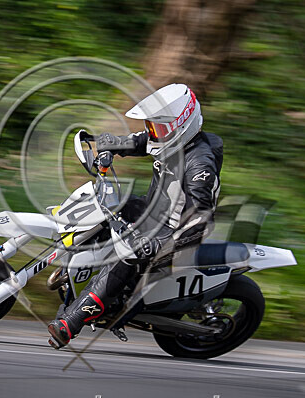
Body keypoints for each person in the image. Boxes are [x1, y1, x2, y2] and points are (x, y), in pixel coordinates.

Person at [47, 83, 223, 349]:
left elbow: (200, 220)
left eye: (160, 128)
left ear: (183, 125)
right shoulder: (170, 140)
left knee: (127, 257)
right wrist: (110, 144)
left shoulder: (200, 164)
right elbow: (143, 142)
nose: (154, 133)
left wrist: (158, 244)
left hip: (175, 230)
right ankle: (78, 264)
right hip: (154, 208)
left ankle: (72, 322)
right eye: (153, 126)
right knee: (105, 207)